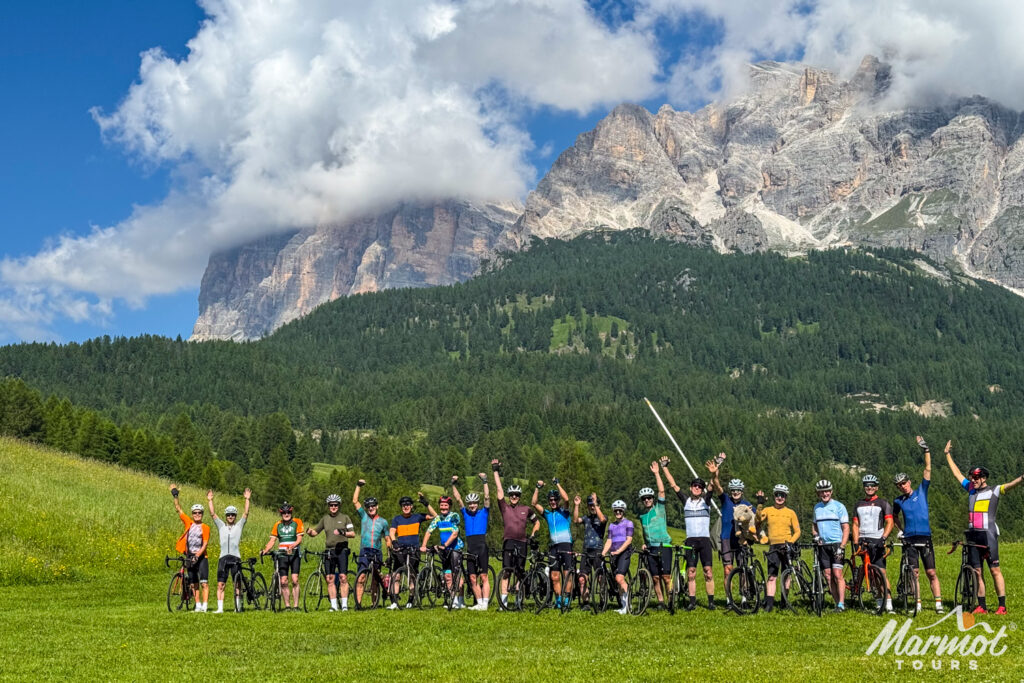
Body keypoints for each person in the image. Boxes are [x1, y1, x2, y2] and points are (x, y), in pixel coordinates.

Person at [945, 440, 1024, 614]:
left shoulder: (994, 490)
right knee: (977, 571)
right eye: (972, 477)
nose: (973, 479)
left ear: (984, 478)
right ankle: (982, 605)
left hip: (988, 535)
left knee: (995, 570)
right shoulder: (971, 489)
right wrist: (947, 455)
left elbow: (1010, 485)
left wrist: (1022, 478)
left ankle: (1002, 606)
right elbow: (957, 474)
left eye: (976, 477)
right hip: (972, 535)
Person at [892, 436, 943, 614]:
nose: (903, 487)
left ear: (909, 482)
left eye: (904, 483)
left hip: (925, 537)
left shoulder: (921, 491)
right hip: (909, 539)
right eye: (899, 485)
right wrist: (900, 530)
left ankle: (938, 604)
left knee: (931, 572)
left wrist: (926, 450)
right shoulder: (898, 501)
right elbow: (893, 517)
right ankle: (918, 603)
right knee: (914, 574)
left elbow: (928, 469)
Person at [661, 457, 717, 610]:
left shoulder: (706, 501)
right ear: (691, 487)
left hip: (704, 541)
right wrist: (664, 467)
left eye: (700, 487)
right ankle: (692, 602)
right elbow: (673, 485)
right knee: (691, 572)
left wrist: (714, 473)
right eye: (694, 486)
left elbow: (712, 486)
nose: (697, 488)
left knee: (708, 572)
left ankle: (711, 602)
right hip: (691, 541)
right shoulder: (686, 501)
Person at [492, 459, 540, 607]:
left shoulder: (526, 509)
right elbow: (499, 491)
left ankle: (519, 601)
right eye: (511, 495)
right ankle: (504, 604)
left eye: (516, 495)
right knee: (506, 571)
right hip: (509, 541)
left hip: (522, 542)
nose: (514, 497)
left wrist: (532, 535)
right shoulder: (504, 507)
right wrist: (495, 471)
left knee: (520, 572)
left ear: (519, 496)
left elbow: (537, 522)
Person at [852, 474, 895, 613]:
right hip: (863, 541)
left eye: (872, 486)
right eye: (866, 486)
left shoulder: (883, 503)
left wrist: (883, 538)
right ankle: (878, 602)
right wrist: (856, 542)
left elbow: (890, 522)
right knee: (870, 573)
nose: (869, 488)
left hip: (877, 540)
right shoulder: (858, 504)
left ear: (876, 487)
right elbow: (855, 524)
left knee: (881, 573)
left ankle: (888, 603)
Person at [386, 492, 435, 610]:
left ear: (412, 506)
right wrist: (394, 541)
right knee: (396, 576)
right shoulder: (397, 519)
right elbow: (392, 531)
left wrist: (426, 503)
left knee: (412, 576)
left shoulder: (417, 517)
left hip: (414, 550)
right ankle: (394, 601)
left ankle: (411, 600)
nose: (406, 506)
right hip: (400, 550)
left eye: (408, 504)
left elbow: (435, 517)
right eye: (403, 505)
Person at [307, 493, 356, 611]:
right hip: (329, 551)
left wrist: (342, 532)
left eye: (335, 505)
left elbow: (353, 534)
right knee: (330, 578)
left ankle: (344, 605)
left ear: (339, 505)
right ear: (328, 506)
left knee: (343, 577)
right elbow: (315, 532)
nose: (333, 507)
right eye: (331, 505)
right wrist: (309, 532)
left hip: (342, 551)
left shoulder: (345, 517)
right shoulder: (325, 519)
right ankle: (334, 606)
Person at [755, 484, 800, 612]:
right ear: (774, 496)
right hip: (773, 546)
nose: (779, 497)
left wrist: (791, 542)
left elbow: (797, 531)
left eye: (782, 495)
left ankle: (784, 602)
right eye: (777, 495)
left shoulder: (790, 512)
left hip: (787, 545)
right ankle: (769, 604)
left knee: (786, 576)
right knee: (772, 576)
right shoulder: (768, 510)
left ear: (786, 497)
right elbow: (757, 520)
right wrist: (759, 505)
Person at [207, 487, 251, 613]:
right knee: (221, 584)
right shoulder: (221, 525)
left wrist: (247, 499)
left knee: (237, 584)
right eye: (228, 515)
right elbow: (212, 514)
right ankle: (220, 608)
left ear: (235, 516)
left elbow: (246, 514)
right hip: (223, 558)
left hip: (235, 557)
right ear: (226, 516)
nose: (230, 516)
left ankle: (238, 607)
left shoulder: (239, 525)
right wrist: (210, 500)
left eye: (232, 515)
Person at [532, 479, 573, 609]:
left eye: (555, 499)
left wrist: (557, 484)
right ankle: (559, 599)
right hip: (554, 547)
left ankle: (567, 598)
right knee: (554, 576)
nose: (553, 502)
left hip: (566, 544)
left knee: (567, 574)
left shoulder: (564, 512)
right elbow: (534, 503)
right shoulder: (548, 514)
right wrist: (538, 487)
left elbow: (567, 499)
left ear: (558, 500)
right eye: (551, 500)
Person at [637, 461, 673, 609]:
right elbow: (646, 533)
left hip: (664, 545)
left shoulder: (660, 508)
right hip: (651, 548)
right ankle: (660, 602)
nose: (647, 500)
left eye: (649, 498)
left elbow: (662, 492)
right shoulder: (642, 517)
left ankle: (670, 600)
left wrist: (657, 473)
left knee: (666, 576)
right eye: (644, 499)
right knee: (655, 577)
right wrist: (644, 543)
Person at [170, 483, 210, 612]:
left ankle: (205, 605)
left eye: (199, 512)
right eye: (195, 512)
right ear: (192, 514)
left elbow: (205, 543)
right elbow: (178, 509)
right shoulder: (189, 522)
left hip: (202, 557)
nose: (197, 514)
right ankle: (197, 605)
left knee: (204, 582)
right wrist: (175, 495)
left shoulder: (205, 527)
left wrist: (198, 555)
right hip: (190, 555)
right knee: (193, 582)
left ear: (202, 514)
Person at [453, 474, 491, 611]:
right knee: (473, 578)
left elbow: (487, 497)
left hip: (481, 546)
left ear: (477, 504)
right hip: (471, 547)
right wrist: (453, 484)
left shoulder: (484, 512)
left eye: (474, 503)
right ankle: (479, 603)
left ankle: (485, 603)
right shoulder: (465, 513)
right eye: (470, 504)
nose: (472, 505)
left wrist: (485, 481)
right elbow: (458, 499)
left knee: (484, 576)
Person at [421, 494, 465, 609]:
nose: (443, 508)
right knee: (447, 576)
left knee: (456, 575)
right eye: (441, 506)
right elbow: (429, 531)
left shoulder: (454, 516)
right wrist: (424, 545)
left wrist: (445, 545)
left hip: (455, 548)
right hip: (445, 549)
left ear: (449, 506)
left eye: (445, 505)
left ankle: (461, 599)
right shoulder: (438, 518)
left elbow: (455, 533)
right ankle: (453, 600)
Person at [352, 479, 391, 607]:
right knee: (362, 577)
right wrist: (358, 486)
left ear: (377, 506)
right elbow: (355, 501)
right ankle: (358, 603)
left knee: (375, 579)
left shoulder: (383, 522)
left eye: (373, 505)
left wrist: (389, 552)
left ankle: (374, 603)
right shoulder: (363, 516)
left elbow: (387, 538)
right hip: (365, 550)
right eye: (369, 506)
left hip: (377, 551)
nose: (371, 508)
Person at [812, 479, 849, 611]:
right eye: (822, 492)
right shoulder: (817, 507)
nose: (825, 494)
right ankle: (836, 602)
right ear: (818, 494)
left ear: (831, 491)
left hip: (836, 544)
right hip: (823, 546)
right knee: (827, 575)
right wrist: (816, 535)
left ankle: (841, 604)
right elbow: (814, 525)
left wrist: (842, 546)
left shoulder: (839, 506)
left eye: (827, 491)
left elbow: (846, 527)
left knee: (837, 574)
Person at [714, 472, 755, 592]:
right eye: (733, 490)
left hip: (742, 539)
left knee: (743, 569)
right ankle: (729, 599)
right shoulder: (726, 500)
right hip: (726, 538)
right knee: (727, 570)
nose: (735, 492)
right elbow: (717, 487)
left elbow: (753, 521)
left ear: (742, 491)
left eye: (738, 490)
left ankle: (743, 596)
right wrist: (714, 473)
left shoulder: (747, 505)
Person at [261, 501, 304, 611]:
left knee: (295, 580)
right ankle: (287, 606)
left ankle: (296, 606)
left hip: (294, 554)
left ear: (291, 512)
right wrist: (265, 550)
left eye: (288, 512)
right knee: (283, 581)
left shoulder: (297, 522)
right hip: (282, 555)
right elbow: (272, 540)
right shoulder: (278, 525)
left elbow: (299, 538)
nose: (286, 514)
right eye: (284, 513)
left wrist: (293, 545)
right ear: (281, 514)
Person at [574, 491, 606, 610]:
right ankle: (586, 603)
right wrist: (577, 505)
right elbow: (576, 520)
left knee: (600, 578)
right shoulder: (586, 518)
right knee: (582, 579)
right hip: (586, 551)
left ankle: (603, 600)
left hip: (598, 551)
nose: (592, 507)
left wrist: (595, 502)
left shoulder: (602, 517)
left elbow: (602, 519)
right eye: (590, 505)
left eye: (594, 505)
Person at [602, 499, 634, 615]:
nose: (618, 513)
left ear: (623, 511)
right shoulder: (611, 525)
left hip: (624, 553)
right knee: (617, 580)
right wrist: (603, 553)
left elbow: (629, 540)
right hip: (614, 554)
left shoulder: (628, 523)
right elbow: (609, 541)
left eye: (620, 511)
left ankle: (628, 605)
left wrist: (618, 551)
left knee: (619, 578)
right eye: (616, 511)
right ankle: (623, 606)